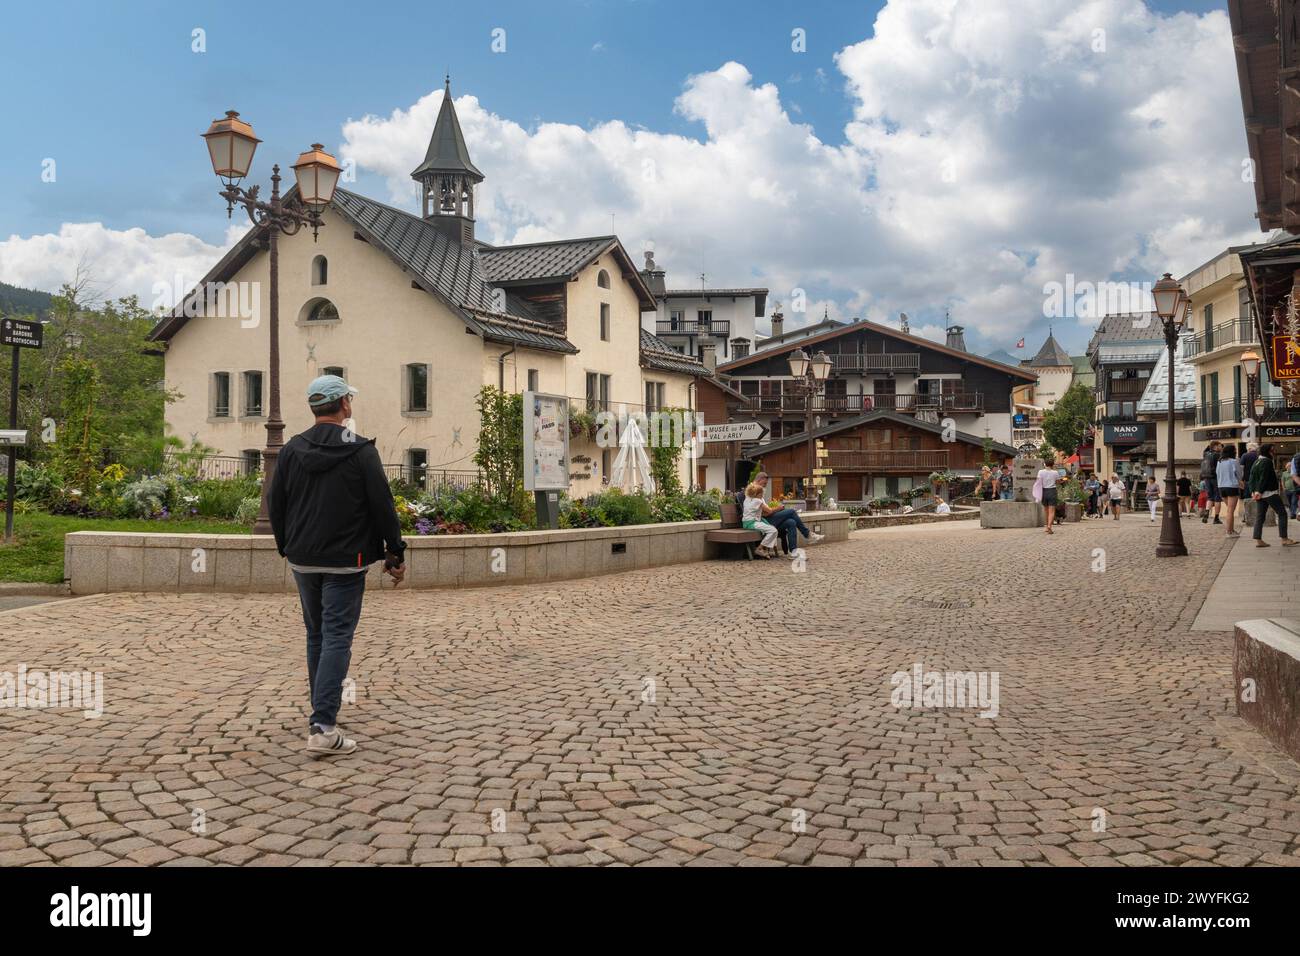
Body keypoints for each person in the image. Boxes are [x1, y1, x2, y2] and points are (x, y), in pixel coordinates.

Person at [269, 374, 407, 756]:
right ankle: (323, 727)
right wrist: (395, 552)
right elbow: (383, 506)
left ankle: (320, 710)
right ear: (344, 404)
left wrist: (288, 548)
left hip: (303, 560)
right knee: (337, 637)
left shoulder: (292, 449)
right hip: (347, 561)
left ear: (315, 407)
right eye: (350, 399)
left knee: (317, 635)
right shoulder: (360, 451)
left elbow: (276, 505)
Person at [751, 472, 824, 555]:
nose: (765, 485)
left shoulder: (757, 490)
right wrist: (778, 508)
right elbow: (763, 513)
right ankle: (807, 535)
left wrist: (775, 510)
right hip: (763, 521)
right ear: (760, 479)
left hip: (766, 518)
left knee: (791, 522)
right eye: (764, 483)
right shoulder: (753, 491)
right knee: (792, 512)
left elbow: (764, 511)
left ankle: (793, 552)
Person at [1247, 443, 1299, 548]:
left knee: (1260, 517)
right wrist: (1259, 491)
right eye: (1272, 450)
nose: (1273, 452)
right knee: (1282, 513)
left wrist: (1253, 491)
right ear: (1267, 451)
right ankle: (1284, 538)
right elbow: (1264, 478)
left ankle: (1258, 539)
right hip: (1269, 493)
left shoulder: (1256, 461)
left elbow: (1251, 478)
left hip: (1260, 494)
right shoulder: (1267, 462)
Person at [741, 481, 781, 558]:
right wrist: (779, 508)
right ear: (757, 494)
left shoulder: (747, 499)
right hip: (752, 523)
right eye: (761, 494)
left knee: (769, 528)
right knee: (773, 530)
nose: (763, 495)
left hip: (746, 523)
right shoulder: (757, 501)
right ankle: (759, 549)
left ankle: (765, 550)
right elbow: (769, 510)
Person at [1215, 443, 1241, 538]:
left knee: (1230, 510)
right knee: (1230, 510)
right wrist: (1240, 482)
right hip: (1232, 486)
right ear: (1232, 452)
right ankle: (1229, 532)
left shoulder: (1219, 462)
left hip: (1221, 487)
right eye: (1235, 450)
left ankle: (1231, 530)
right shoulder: (1234, 461)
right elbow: (1239, 474)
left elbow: (1217, 474)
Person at [1200, 441, 1222, 524]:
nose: (1221, 447)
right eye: (1220, 446)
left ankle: (1206, 514)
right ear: (1216, 447)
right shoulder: (1218, 455)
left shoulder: (1205, 454)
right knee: (1217, 498)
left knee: (1210, 497)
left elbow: (1206, 449)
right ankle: (1216, 518)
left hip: (1206, 477)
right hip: (1215, 477)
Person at [1037, 462, 1060, 533]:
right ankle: (1050, 526)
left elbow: (1038, 481)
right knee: (1052, 511)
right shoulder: (1055, 472)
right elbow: (1058, 482)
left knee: (1046, 510)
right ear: (1052, 465)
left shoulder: (1040, 472)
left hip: (1044, 491)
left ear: (1045, 464)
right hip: (1052, 491)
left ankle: (1047, 527)